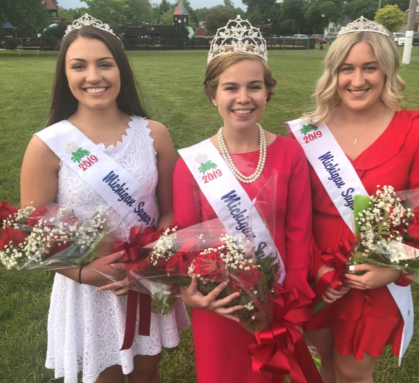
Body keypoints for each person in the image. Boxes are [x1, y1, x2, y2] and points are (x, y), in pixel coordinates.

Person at [20, 14, 189, 383]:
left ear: (121, 70)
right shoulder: (47, 145)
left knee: (147, 371)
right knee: (104, 376)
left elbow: (171, 211)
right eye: (79, 65)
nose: (93, 76)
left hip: (146, 279)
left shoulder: (155, 135)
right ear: (65, 75)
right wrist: (83, 273)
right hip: (89, 289)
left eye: (104, 64)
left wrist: (154, 258)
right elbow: (34, 238)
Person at [287, 17, 419, 383]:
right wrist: (316, 268)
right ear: (333, 73)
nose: (357, 81)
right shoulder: (309, 132)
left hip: (374, 276)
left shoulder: (418, 135)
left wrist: (395, 269)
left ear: (387, 69)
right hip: (317, 269)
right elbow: (293, 214)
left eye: (369, 68)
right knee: (324, 359)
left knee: (353, 371)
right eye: (347, 69)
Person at [172, 16, 313, 383]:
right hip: (219, 302)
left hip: (278, 295)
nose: (243, 98)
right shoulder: (192, 164)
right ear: (212, 94)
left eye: (255, 87)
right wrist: (192, 294)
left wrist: (293, 292)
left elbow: (299, 230)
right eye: (230, 88)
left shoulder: (289, 154)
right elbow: (186, 241)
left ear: (268, 92)